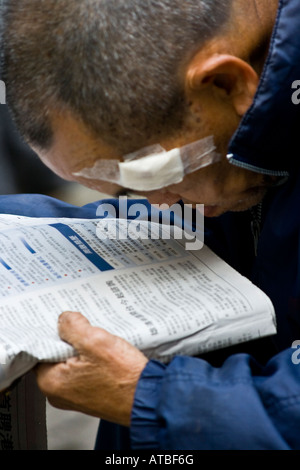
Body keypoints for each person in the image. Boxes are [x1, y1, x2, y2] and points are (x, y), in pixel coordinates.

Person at [1, 0, 300, 450]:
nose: (157, 201)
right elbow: (178, 227)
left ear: (226, 82)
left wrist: (148, 397)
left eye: (151, 174)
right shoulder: (215, 153)